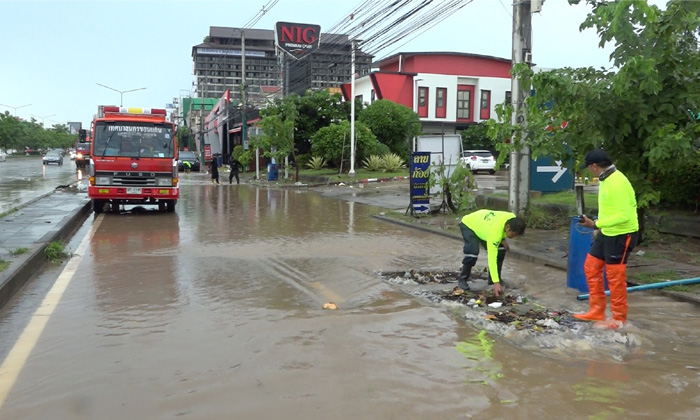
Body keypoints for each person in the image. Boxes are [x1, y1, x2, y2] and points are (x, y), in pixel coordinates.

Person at [575, 149, 638, 330]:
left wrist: (596, 224)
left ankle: (618, 319)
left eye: (588, 167)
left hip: (622, 234)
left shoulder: (617, 182)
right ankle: (597, 310)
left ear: (594, 166)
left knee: (615, 277)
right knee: (591, 267)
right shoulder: (606, 179)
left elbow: (624, 215)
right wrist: (600, 227)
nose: (588, 171)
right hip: (608, 232)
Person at [458, 209, 526, 296]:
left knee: (501, 249)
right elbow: (492, 258)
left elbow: (499, 224)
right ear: (508, 227)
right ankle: (462, 279)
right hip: (469, 225)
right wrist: (496, 283)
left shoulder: (512, 218)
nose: (514, 237)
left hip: (484, 226)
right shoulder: (494, 234)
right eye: (513, 234)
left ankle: (492, 280)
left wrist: (503, 239)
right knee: (472, 253)